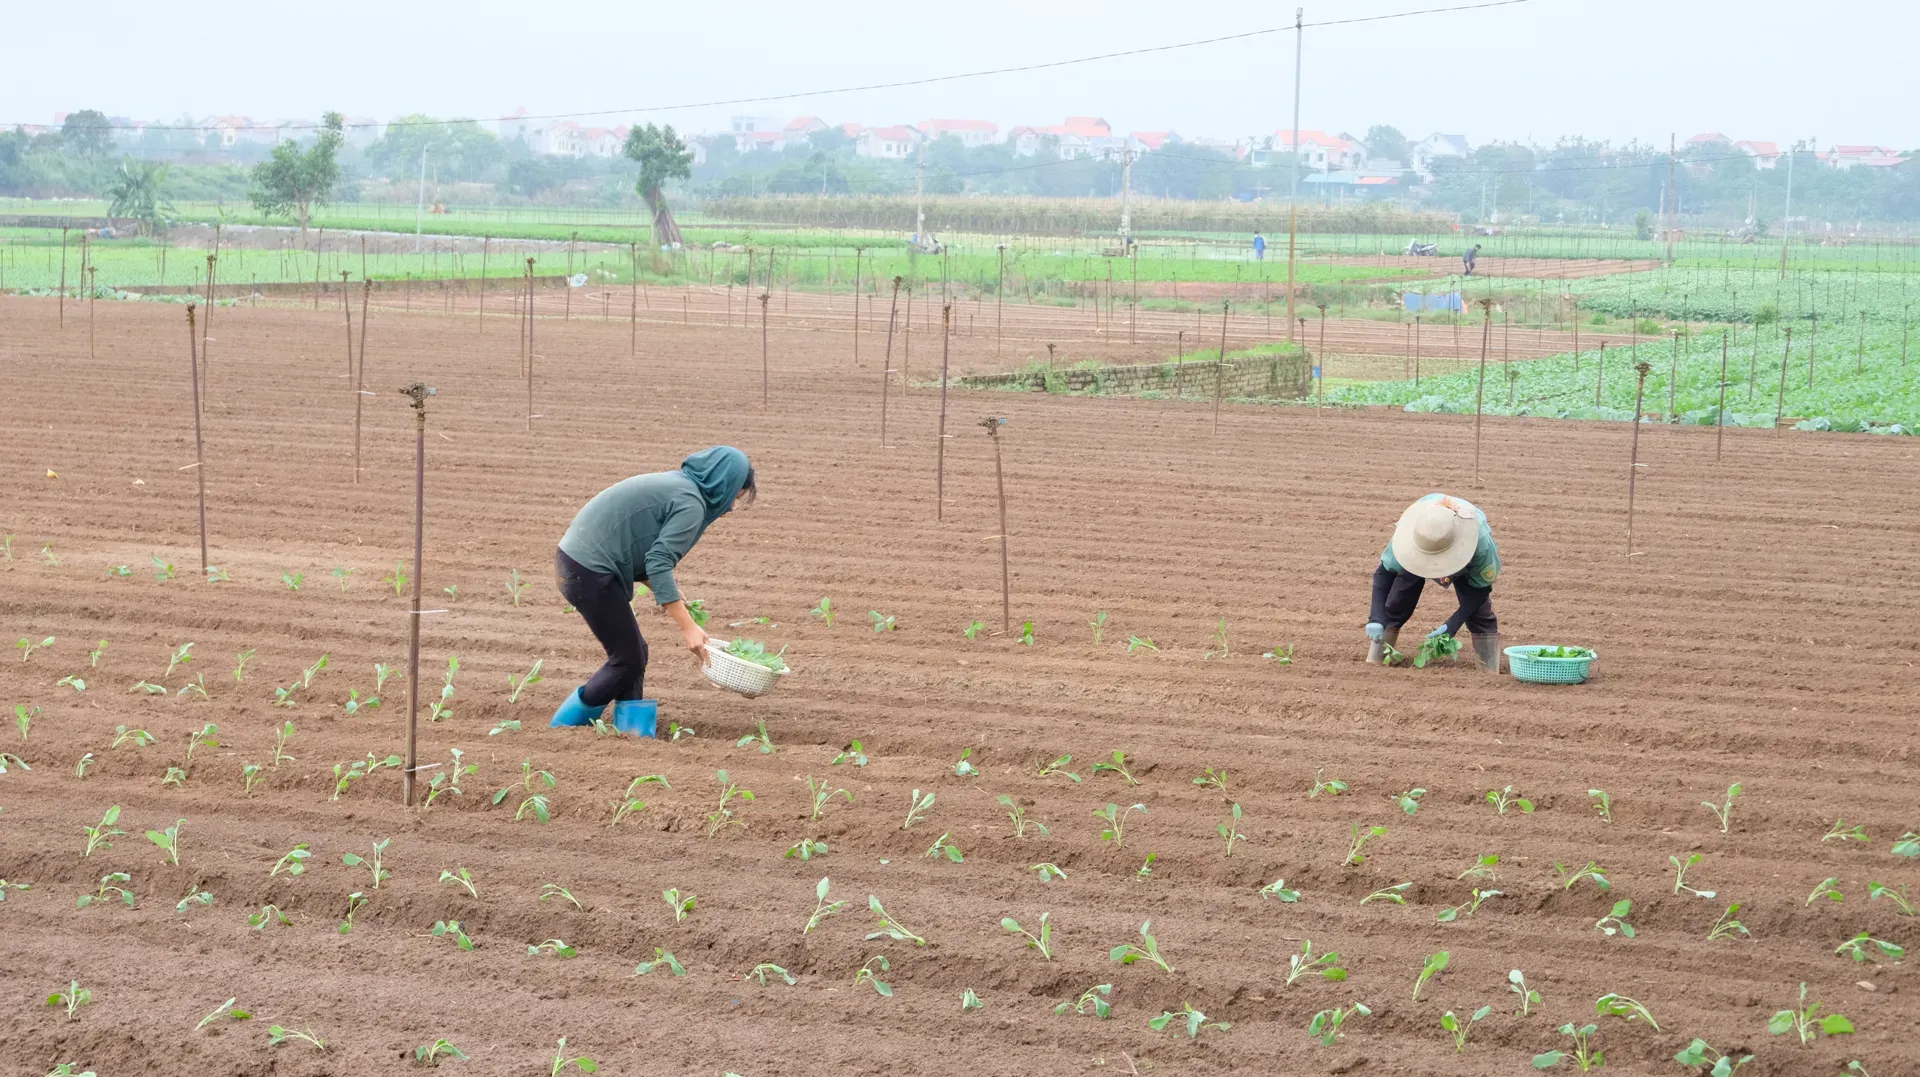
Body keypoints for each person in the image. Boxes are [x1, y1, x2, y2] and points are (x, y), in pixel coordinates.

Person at [548, 447, 756, 736]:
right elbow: (659, 562)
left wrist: (668, 590)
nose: (732, 507)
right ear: (722, 484)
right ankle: (560, 729)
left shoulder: (679, 486)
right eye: (735, 495)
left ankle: (633, 734)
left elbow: (640, 544)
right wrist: (689, 628)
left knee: (634, 654)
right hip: (588, 570)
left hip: (578, 563)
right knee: (628, 658)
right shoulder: (691, 504)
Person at [1364, 493, 1502, 671]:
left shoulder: (1479, 544)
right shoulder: (1410, 536)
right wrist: (1376, 617)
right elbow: (1384, 574)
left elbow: (1480, 591)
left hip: (1465, 554)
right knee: (1400, 596)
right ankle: (1380, 655)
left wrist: (1452, 624)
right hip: (1422, 539)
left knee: (1480, 614)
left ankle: (1488, 667)